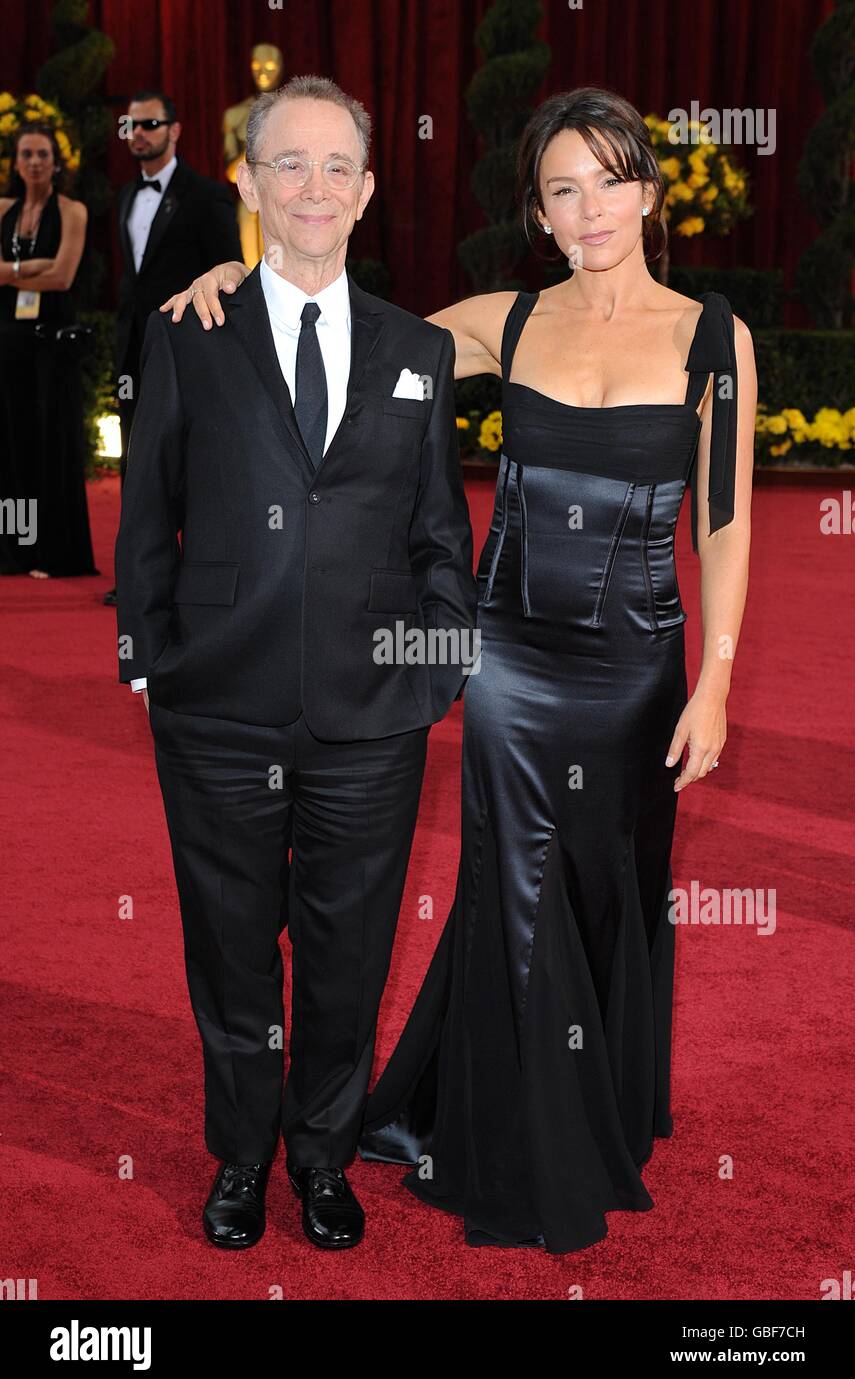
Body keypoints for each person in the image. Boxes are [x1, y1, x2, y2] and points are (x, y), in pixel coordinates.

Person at [163, 85, 756, 1254]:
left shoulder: (710, 337)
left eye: (609, 183)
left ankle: (599, 1094)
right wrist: (242, 283)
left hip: (640, 667)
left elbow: (724, 523)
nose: (589, 212)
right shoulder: (504, 324)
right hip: (507, 668)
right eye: (561, 191)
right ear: (538, 212)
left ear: (649, 189)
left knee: (609, 885)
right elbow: (331, 329)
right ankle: (519, 1133)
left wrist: (719, 678)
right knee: (517, 892)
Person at [114, 74, 476, 1253]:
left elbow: (440, 533)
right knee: (227, 951)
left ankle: (322, 1157)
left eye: (336, 167)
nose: (312, 187)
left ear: (366, 191)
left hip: (374, 716)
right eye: (289, 164)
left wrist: (436, 671)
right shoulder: (187, 329)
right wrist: (148, 658)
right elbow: (146, 508)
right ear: (252, 184)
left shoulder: (418, 350)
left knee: (346, 951)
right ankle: (241, 1154)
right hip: (216, 705)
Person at [103, 90, 243, 604]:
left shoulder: (205, 195)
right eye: (131, 126)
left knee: (191, 463)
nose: (138, 134)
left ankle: (200, 574)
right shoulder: (122, 196)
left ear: (175, 130)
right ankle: (140, 578)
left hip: (191, 349)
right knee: (136, 463)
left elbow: (230, 271)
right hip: (134, 352)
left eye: (150, 124)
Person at [0, 122, 97, 578]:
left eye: (42, 153)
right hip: (8, 340)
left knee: (52, 442)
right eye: (27, 154)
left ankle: (57, 554)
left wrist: (10, 269)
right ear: (15, 163)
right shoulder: (2, 208)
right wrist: (35, 265)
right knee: (12, 445)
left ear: (56, 162)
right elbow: (45, 268)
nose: (35, 161)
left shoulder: (73, 210)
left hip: (54, 342)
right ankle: (18, 549)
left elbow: (62, 276)